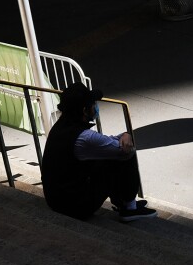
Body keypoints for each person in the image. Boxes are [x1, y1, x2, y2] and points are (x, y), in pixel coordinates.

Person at [40, 82, 156, 221]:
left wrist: (125, 135)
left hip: (55, 199)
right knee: (125, 155)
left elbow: (105, 143)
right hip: (74, 206)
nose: (95, 106)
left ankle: (123, 202)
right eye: (93, 104)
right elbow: (123, 150)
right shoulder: (85, 137)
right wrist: (127, 136)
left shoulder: (61, 126)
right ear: (84, 110)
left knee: (107, 155)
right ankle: (130, 208)